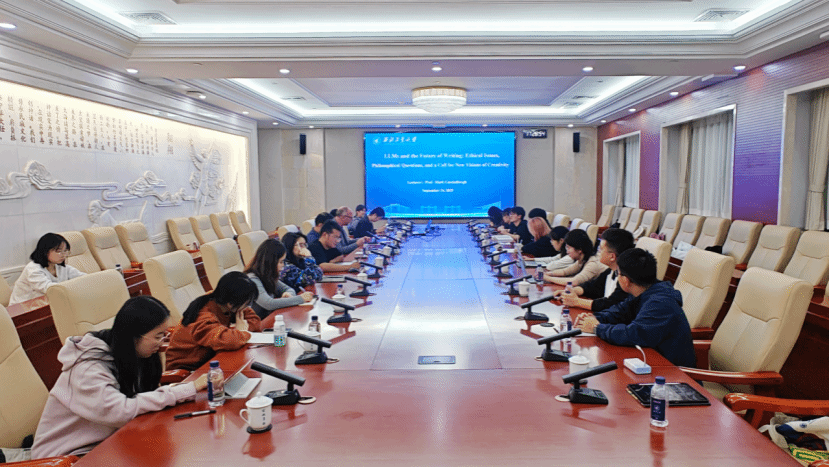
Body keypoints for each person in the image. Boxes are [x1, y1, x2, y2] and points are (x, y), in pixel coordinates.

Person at [30, 296, 208, 458]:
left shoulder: (130, 355)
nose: (162, 342)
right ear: (134, 336)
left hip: (110, 442)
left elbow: (140, 397)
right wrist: (185, 390)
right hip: (66, 457)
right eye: (158, 336)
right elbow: (121, 412)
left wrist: (183, 392)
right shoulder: (87, 369)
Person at [576, 248, 695, 368]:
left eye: (618, 273)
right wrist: (594, 318)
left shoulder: (660, 303)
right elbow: (619, 312)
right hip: (649, 361)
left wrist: (597, 328)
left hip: (670, 371)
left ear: (625, 280)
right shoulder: (643, 291)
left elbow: (634, 334)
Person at [165, 271, 262, 371]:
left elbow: (255, 321)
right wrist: (241, 332)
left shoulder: (223, 301)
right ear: (230, 303)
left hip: (211, 360)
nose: (247, 307)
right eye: (247, 303)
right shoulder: (203, 316)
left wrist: (240, 332)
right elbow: (228, 341)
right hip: (187, 370)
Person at [554, 228, 635, 312]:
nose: (598, 252)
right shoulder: (610, 271)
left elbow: (611, 303)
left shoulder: (626, 279)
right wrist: (571, 291)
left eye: (601, 249)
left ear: (612, 257)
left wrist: (576, 301)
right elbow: (592, 287)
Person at [244, 239, 315, 319]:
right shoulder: (252, 279)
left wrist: (288, 294)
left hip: (268, 318)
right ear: (270, 262)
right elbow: (269, 304)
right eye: (281, 262)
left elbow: (289, 289)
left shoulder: (268, 276)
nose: (283, 265)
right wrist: (301, 298)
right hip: (254, 323)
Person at [9, 233, 85, 305]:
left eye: (65, 251)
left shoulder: (60, 267)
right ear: (45, 251)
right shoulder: (33, 269)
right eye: (59, 251)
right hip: (22, 309)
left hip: (45, 304)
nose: (63, 255)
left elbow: (83, 277)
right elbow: (50, 289)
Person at [542, 229, 607, 286]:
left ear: (579, 250)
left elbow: (574, 282)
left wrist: (548, 278)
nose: (567, 251)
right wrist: (548, 274)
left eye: (568, 247)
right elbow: (566, 271)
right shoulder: (582, 259)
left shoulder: (592, 263)